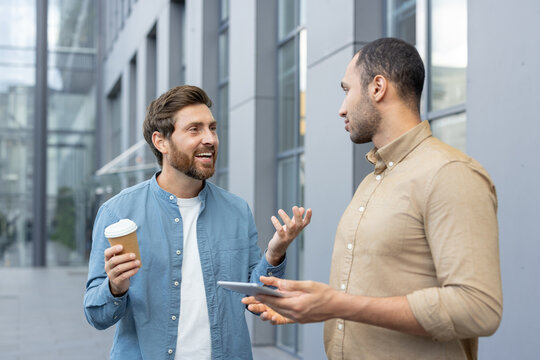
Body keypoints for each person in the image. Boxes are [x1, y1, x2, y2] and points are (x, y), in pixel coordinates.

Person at [243, 37, 502, 359]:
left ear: (378, 87)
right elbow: (373, 298)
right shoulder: (372, 180)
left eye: (346, 90)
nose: (341, 108)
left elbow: (478, 309)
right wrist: (318, 308)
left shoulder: (450, 174)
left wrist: (338, 304)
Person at [84, 85, 311, 359]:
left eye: (212, 128)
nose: (210, 139)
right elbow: (96, 315)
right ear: (161, 142)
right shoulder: (118, 212)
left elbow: (256, 301)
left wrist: (274, 254)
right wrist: (115, 287)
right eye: (195, 129)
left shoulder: (237, 210)